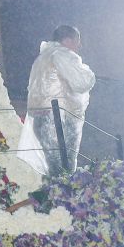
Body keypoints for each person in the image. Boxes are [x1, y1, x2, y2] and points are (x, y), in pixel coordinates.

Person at [24, 25, 96, 175]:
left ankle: (56, 195)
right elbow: (81, 82)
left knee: (53, 168)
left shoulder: (42, 57)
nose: (79, 46)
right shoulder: (62, 55)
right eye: (77, 41)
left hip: (40, 118)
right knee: (65, 169)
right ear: (68, 40)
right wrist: (90, 74)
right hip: (59, 119)